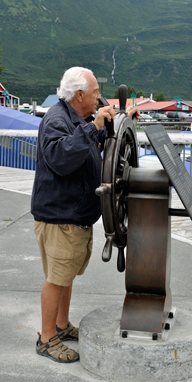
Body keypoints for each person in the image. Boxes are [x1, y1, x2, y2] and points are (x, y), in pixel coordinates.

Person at [31, 67, 139, 363]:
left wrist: (119, 121)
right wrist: (93, 128)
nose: (98, 98)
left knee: (66, 276)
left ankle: (62, 326)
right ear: (79, 95)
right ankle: (46, 338)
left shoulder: (75, 119)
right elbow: (61, 157)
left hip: (73, 215)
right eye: (94, 93)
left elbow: (94, 143)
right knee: (56, 278)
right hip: (59, 217)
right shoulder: (56, 119)